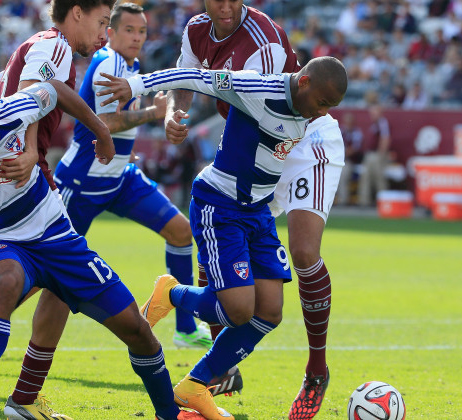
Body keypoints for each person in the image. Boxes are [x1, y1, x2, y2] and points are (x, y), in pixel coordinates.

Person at [0, 83, 209, 420]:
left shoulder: (9, 113)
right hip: (0, 242)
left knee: (137, 330)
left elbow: (54, 89)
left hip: (60, 239)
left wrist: (101, 130)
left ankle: (169, 413)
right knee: (5, 282)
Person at [95, 55, 347, 420]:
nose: (323, 114)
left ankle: (195, 385)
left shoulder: (310, 112)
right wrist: (136, 86)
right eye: (323, 104)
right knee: (240, 310)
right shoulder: (255, 88)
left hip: (257, 213)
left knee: (270, 312)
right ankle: (172, 292)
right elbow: (193, 75)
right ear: (304, 82)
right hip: (221, 207)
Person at [0, 1, 119, 417]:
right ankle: (19, 397)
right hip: (30, 175)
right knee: (61, 279)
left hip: (26, 170)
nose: (106, 34)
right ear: (78, 13)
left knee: (46, 279)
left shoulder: (35, 44)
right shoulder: (57, 45)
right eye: (103, 23)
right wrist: (33, 148)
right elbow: (39, 90)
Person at [165, 2, 345, 417]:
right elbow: (186, 77)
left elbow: (266, 100)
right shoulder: (196, 31)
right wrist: (176, 111)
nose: (224, 7)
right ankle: (215, 370)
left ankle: (316, 371)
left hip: (302, 130)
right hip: (255, 137)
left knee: (302, 253)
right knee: (223, 234)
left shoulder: (263, 41)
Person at [54, 2, 210, 351]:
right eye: (129, 30)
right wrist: (154, 113)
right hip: (83, 181)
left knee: (181, 231)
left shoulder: (131, 66)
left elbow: (116, 124)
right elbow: (104, 124)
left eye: (142, 31)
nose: (137, 37)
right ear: (110, 32)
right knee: (43, 269)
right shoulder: (109, 62)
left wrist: (130, 145)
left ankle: (185, 328)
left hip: (118, 176)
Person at [357, 105, 392, 207]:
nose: (372, 115)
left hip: (376, 154)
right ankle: (364, 201)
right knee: (366, 177)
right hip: (370, 154)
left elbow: (385, 138)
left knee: (379, 178)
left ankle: (384, 201)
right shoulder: (375, 124)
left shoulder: (382, 123)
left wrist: (381, 153)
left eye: (374, 113)